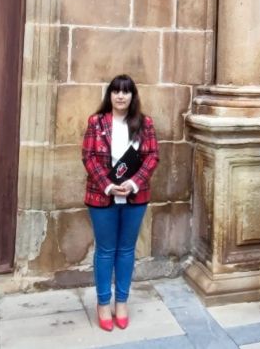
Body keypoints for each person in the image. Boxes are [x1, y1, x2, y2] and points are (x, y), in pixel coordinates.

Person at [82, 74, 159, 332]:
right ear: (110, 95)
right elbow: (89, 157)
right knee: (105, 250)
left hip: (135, 197)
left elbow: (152, 156)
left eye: (126, 91)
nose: (120, 96)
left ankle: (122, 302)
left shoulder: (144, 123)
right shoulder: (96, 122)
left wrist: (133, 183)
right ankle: (103, 303)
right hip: (101, 195)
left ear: (132, 95)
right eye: (116, 91)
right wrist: (108, 185)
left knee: (126, 250)